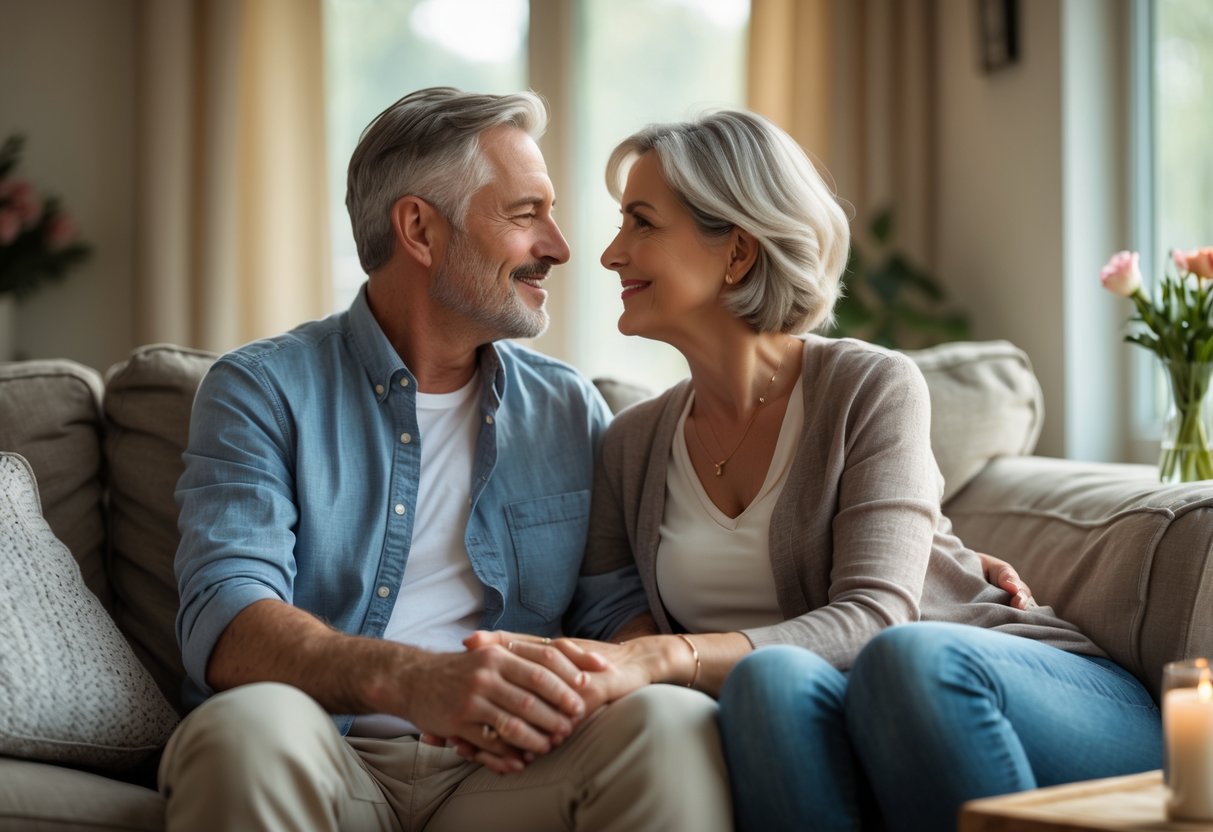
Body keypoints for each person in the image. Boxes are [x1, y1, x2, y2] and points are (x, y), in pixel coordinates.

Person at [476, 108, 1161, 832]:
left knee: (904, 658)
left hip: (1022, 695)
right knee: (766, 681)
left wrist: (668, 656)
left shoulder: (869, 386)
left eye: (641, 223)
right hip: (833, 718)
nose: (610, 254)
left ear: (736, 251)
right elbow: (615, 614)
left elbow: (875, 619)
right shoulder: (632, 442)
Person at [160, 87, 732, 832]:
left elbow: (610, 608)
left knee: (666, 724)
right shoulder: (263, 389)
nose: (559, 247)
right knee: (246, 729)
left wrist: (621, 669)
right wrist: (414, 681)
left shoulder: (567, 407)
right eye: (526, 214)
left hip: (512, 771)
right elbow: (226, 616)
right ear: (420, 230)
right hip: (328, 750)